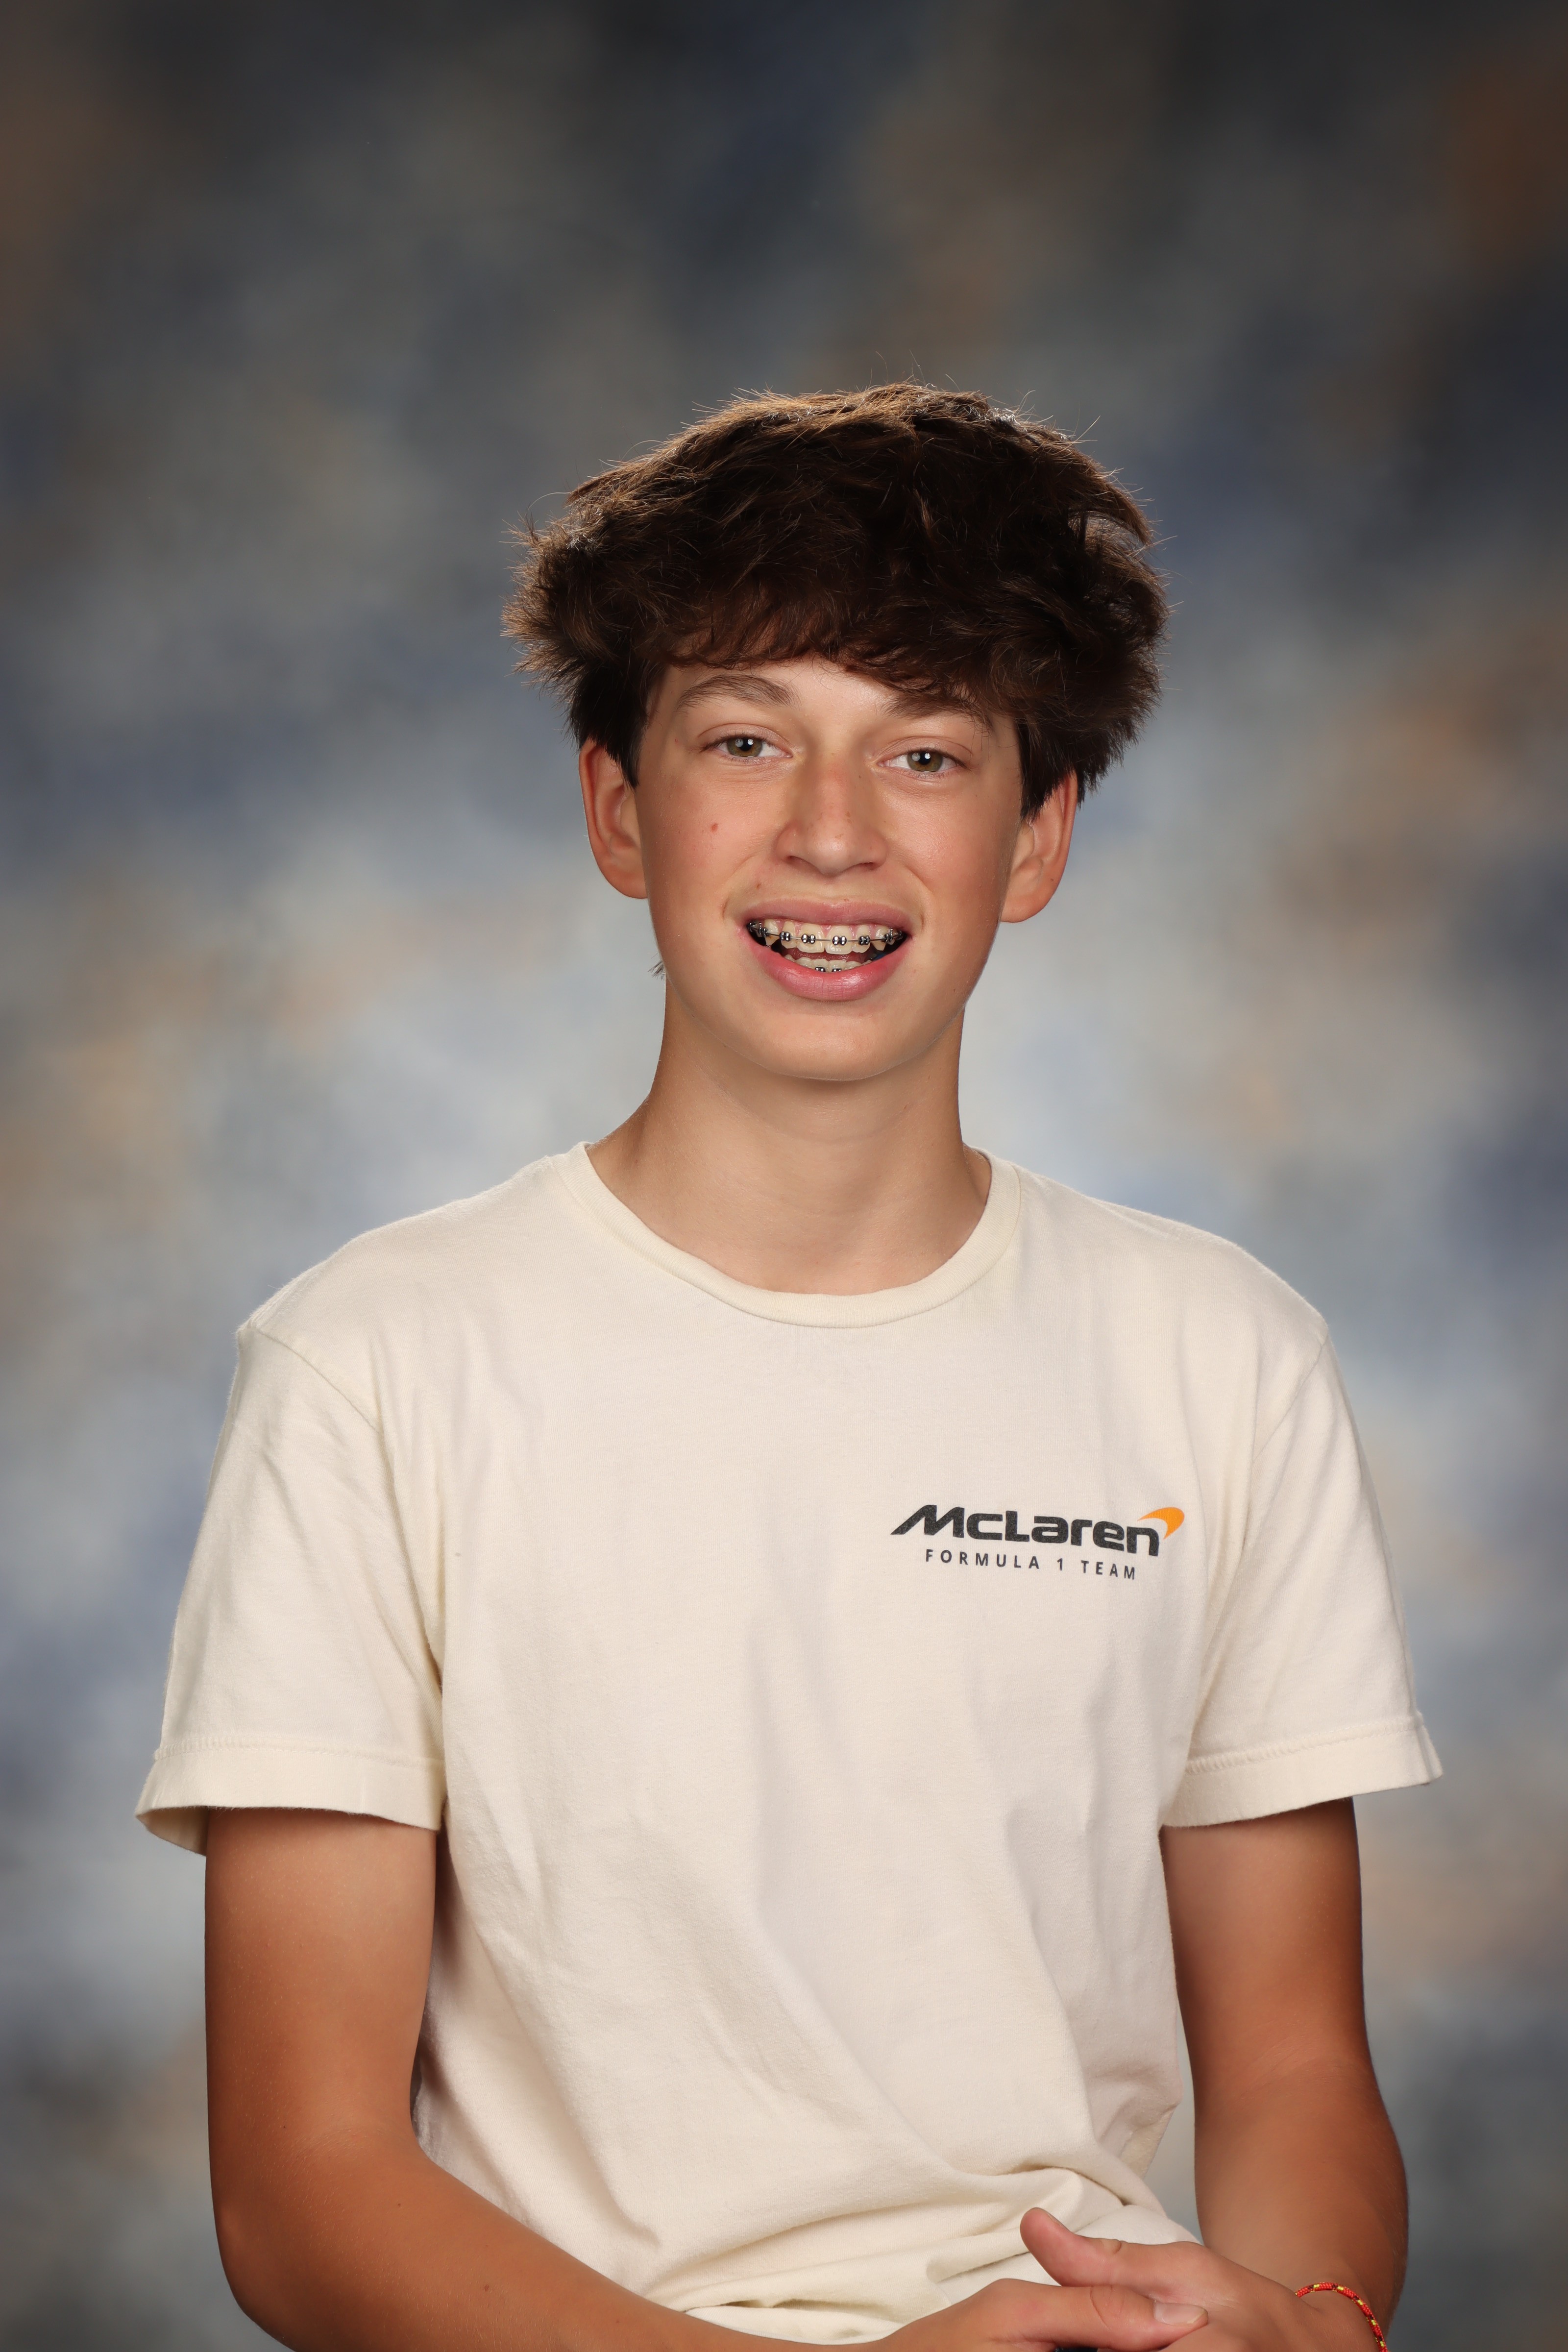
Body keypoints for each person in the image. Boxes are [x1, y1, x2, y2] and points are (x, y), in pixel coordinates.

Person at [138, 386, 1439, 2352]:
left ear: (1034, 838)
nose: (831, 833)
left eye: (924, 753)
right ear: (617, 810)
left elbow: (1287, 2064)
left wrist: (1316, 2321)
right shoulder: (376, 1366)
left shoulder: (1220, 1356)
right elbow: (302, 2185)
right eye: (745, 740)